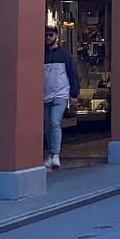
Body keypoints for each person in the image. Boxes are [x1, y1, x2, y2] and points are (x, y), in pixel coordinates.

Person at [43, 25, 79, 170]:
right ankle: (51, 155)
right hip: (45, 95)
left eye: (50, 35)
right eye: (46, 35)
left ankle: (55, 154)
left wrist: (74, 95)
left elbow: (73, 74)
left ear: (56, 36)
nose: (48, 38)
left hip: (60, 94)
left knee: (54, 122)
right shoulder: (41, 54)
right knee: (48, 125)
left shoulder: (65, 56)